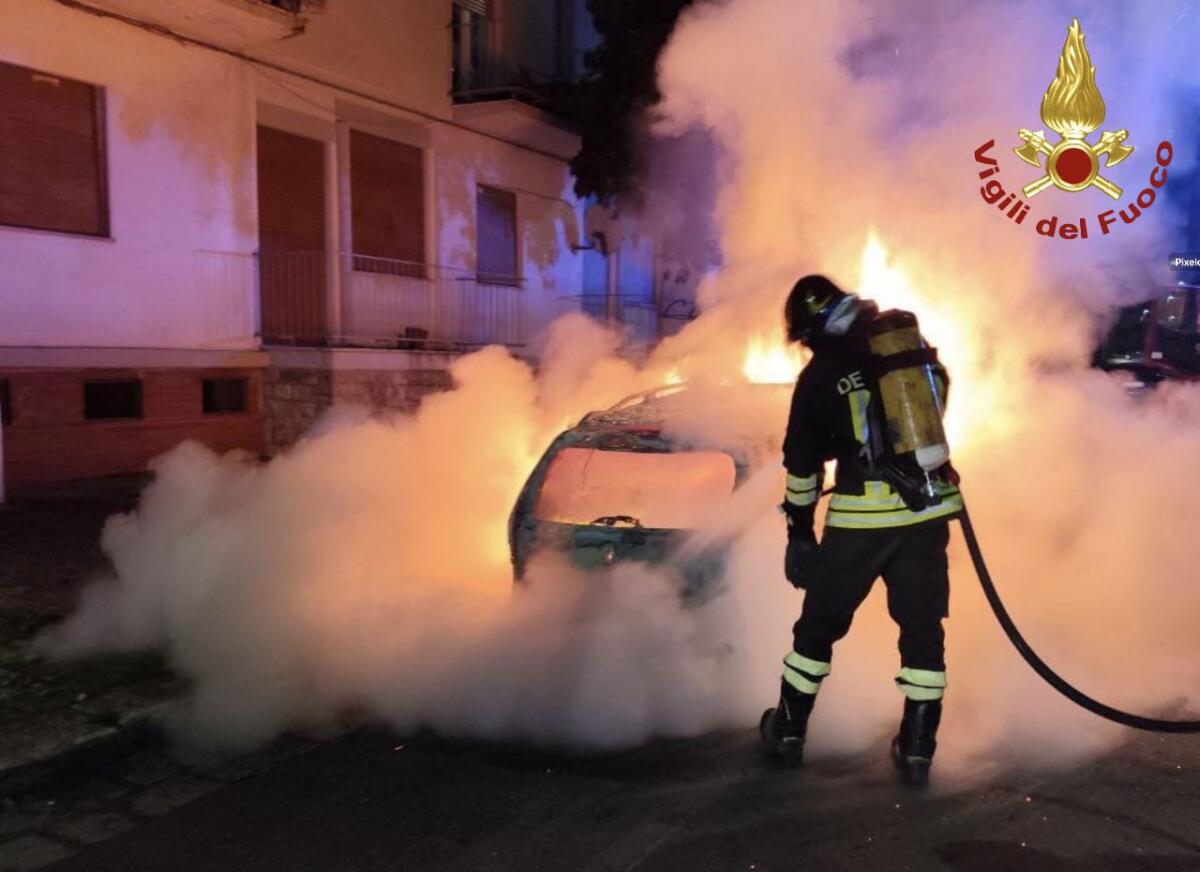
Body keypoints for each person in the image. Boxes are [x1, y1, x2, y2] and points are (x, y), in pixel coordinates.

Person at [759, 274, 962, 785]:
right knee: (922, 630)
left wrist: (799, 534)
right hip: (927, 513)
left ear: (810, 329)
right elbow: (937, 403)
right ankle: (918, 747)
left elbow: (803, 469)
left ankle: (788, 728)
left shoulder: (820, 375)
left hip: (859, 523)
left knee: (818, 628)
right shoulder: (902, 349)